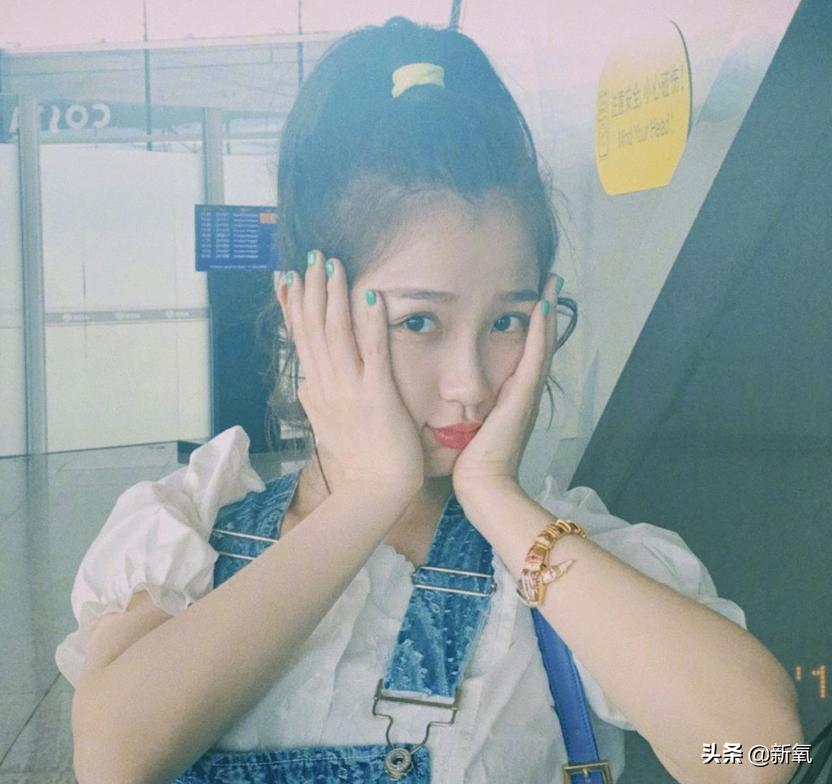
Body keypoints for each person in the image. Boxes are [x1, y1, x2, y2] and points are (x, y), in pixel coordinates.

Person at [57, 16, 803, 784]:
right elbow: (116, 760)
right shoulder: (189, 532)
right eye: (419, 321)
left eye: (506, 322)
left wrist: (497, 500)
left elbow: (762, 755)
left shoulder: (570, 567)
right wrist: (369, 496)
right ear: (306, 313)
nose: (470, 383)